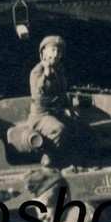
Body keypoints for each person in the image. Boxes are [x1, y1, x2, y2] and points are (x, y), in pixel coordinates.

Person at [28, 34, 82, 166]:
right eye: (52, 50)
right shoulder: (38, 71)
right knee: (58, 129)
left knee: (77, 127)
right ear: (43, 53)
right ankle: (49, 157)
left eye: (58, 51)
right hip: (41, 115)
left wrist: (67, 108)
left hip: (56, 112)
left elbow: (62, 93)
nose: (56, 54)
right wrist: (46, 74)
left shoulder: (59, 71)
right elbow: (39, 91)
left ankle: (69, 159)